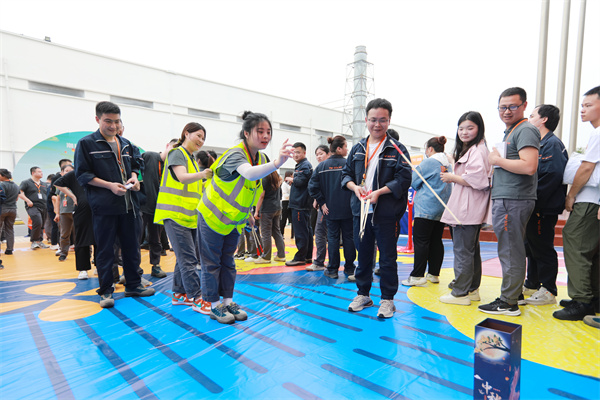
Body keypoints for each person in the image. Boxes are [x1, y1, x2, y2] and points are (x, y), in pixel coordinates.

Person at [197, 111, 293, 324]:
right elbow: (248, 174)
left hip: (232, 221)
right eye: (260, 131)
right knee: (212, 263)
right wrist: (278, 162)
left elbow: (248, 189)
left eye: (268, 132)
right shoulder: (235, 155)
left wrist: (248, 214)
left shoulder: (260, 158)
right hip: (212, 217)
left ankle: (228, 301)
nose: (265, 136)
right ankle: (214, 305)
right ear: (246, 133)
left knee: (228, 262)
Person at [74, 101, 155, 308]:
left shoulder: (126, 143)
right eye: (108, 121)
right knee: (105, 250)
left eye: (117, 121)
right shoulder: (86, 144)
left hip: (130, 207)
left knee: (132, 248)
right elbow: (82, 175)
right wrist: (109, 186)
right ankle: (106, 291)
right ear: (97, 119)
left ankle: (133, 285)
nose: (113, 126)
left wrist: (135, 178)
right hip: (104, 207)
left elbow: (137, 164)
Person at [341, 98, 412, 318]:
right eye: (373, 119)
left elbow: (404, 179)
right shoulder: (358, 148)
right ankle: (363, 294)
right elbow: (345, 175)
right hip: (360, 211)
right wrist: (355, 188)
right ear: (366, 120)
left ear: (389, 120)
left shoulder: (397, 149)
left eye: (382, 120)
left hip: (386, 213)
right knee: (363, 255)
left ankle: (387, 299)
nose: (377, 124)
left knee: (387, 258)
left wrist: (379, 192)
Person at [478, 87, 540, 317]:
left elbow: (529, 166)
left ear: (524, 106)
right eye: (502, 107)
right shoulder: (513, 131)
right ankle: (514, 295)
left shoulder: (525, 130)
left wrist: (497, 160)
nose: (507, 111)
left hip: (513, 199)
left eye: (513, 106)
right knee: (511, 248)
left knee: (511, 250)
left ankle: (508, 302)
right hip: (510, 198)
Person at [553, 86, 600, 321]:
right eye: (582, 105)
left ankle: (582, 301)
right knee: (592, 250)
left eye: (588, 105)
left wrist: (571, 195)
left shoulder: (599, 133)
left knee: (576, 245)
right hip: (594, 200)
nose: (583, 110)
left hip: (589, 200)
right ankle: (593, 297)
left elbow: (587, 168)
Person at [155, 123, 213, 312]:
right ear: (186, 133)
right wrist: (203, 174)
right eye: (198, 135)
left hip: (189, 215)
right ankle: (197, 297)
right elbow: (181, 177)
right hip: (175, 213)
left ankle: (179, 294)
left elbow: (192, 186)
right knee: (188, 258)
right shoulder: (177, 153)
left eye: (203, 138)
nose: (201, 140)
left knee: (185, 257)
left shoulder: (191, 159)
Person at [435, 113, 491, 305]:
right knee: (470, 251)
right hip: (470, 207)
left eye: (470, 128)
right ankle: (472, 289)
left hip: (467, 209)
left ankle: (460, 293)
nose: (464, 132)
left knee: (462, 252)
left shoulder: (477, 150)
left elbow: (477, 179)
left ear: (479, 129)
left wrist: (451, 177)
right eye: (461, 128)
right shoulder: (477, 149)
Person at [523, 104, 568, 306]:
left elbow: (552, 174)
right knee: (531, 246)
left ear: (544, 120)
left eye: (532, 115)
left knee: (543, 247)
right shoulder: (539, 143)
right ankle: (532, 283)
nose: (528, 119)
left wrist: (534, 200)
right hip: (535, 205)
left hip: (542, 206)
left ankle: (549, 289)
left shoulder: (552, 144)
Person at [402, 136, 452, 287]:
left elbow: (413, 181)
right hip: (441, 207)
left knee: (421, 241)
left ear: (430, 149)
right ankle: (434, 274)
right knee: (436, 240)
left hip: (426, 207)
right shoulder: (447, 164)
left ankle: (417, 275)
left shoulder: (429, 162)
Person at [308, 135, 356, 279]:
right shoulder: (349, 164)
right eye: (346, 146)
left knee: (333, 239)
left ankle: (333, 270)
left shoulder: (321, 166)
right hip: (348, 209)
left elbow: (312, 187)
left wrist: (322, 202)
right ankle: (349, 268)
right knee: (349, 238)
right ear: (339, 148)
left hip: (330, 210)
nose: (347, 149)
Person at [141, 138, 178, 279]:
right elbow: (135, 170)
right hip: (142, 206)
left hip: (159, 208)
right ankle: (132, 270)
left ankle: (155, 266)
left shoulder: (172, 168)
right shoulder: (150, 156)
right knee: (136, 239)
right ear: (167, 146)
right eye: (173, 149)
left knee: (156, 240)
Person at [54, 168, 96, 279]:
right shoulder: (75, 173)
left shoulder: (98, 170)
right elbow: (57, 183)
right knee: (81, 238)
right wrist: (73, 196)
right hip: (81, 209)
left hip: (99, 208)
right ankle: (83, 269)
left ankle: (99, 265)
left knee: (100, 238)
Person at [285, 143, 314, 267]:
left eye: (298, 152)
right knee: (306, 230)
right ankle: (307, 256)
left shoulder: (305, 166)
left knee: (301, 232)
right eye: (294, 152)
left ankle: (300, 257)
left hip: (300, 204)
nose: (295, 155)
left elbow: (301, 181)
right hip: (301, 203)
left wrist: (292, 179)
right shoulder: (301, 165)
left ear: (304, 153)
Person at [254, 170, 286, 263]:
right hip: (277, 208)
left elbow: (261, 196)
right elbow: (281, 179)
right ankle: (281, 255)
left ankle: (266, 257)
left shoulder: (265, 178)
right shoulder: (276, 176)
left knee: (266, 233)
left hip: (267, 209)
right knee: (277, 232)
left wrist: (256, 211)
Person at [307, 144, 330, 271]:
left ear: (328, 154)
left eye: (321, 153)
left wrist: (320, 201)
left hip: (326, 206)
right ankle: (332, 262)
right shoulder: (324, 167)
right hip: (334, 205)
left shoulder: (323, 168)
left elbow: (314, 186)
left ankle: (319, 262)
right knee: (333, 234)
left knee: (320, 232)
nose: (318, 156)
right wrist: (317, 199)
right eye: (316, 154)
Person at [20, 166, 48, 250]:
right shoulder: (26, 182)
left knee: (42, 224)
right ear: (33, 173)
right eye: (39, 172)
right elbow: (20, 193)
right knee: (37, 221)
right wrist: (27, 200)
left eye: (41, 171)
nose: (41, 173)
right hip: (32, 206)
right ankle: (34, 241)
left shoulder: (44, 184)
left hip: (44, 206)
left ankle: (39, 241)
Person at [53, 163, 76, 262]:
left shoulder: (77, 183)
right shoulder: (60, 185)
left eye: (71, 171)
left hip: (76, 211)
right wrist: (57, 213)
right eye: (66, 171)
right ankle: (63, 253)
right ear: (62, 173)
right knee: (64, 234)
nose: (68, 173)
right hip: (64, 212)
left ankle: (87, 253)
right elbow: (58, 200)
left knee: (80, 234)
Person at [0, 169, 23, 256]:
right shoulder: (16, 185)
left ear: (3, 175)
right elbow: (17, 198)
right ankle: (9, 249)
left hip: (3, 208)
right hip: (13, 209)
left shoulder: (2, 185)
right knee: (10, 229)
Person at [280, 170, 293, 238]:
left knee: (293, 219)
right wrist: (292, 196)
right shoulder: (284, 184)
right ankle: (281, 233)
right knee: (284, 219)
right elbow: (285, 194)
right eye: (292, 175)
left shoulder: (291, 183)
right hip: (285, 202)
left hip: (291, 202)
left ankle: (293, 235)